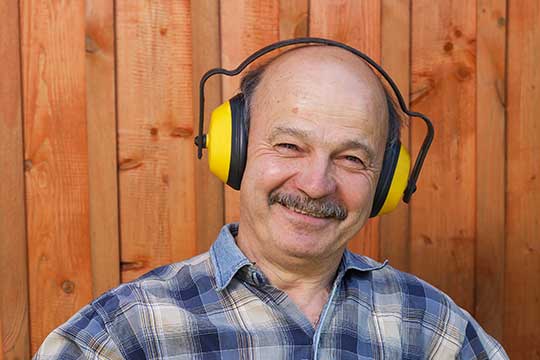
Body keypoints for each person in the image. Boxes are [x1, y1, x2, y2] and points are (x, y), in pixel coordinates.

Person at [34, 44, 508, 359]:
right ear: (233, 150)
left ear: (384, 183)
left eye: (350, 157)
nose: (316, 183)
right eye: (288, 146)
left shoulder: (435, 331)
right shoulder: (124, 333)